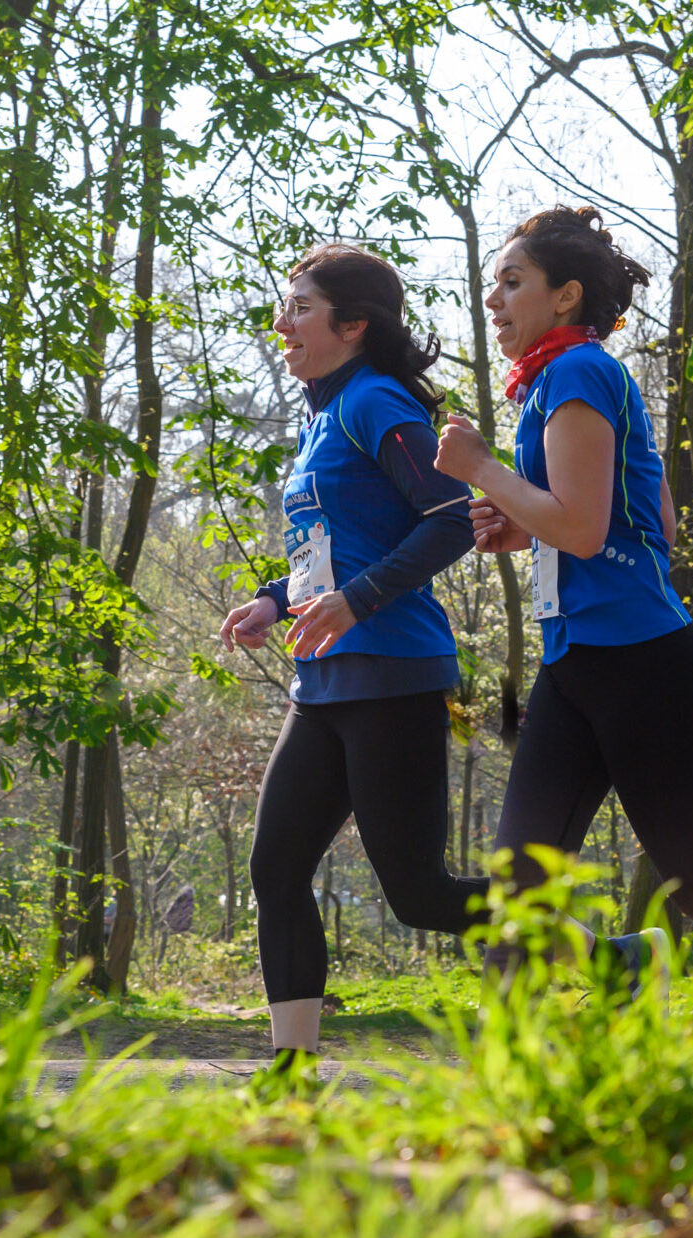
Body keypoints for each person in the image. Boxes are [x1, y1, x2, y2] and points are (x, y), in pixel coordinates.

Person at [434, 205, 693, 970]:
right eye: (492, 284)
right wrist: (526, 524)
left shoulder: (579, 370)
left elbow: (584, 530)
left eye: (510, 282)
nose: (492, 300)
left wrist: (483, 471)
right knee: (518, 881)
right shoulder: (563, 376)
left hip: (637, 658)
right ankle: (530, 1053)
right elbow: (650, 519)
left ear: (565, 295)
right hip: (581, 657)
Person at [218, 244, 488, 1074]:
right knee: (276, 866)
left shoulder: (376, 403)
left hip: (395, 674)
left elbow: (452, 517)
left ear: (353, 325)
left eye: (299, 307)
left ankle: (608, 951)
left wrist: (359, 600)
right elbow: (327, 551)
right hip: (324, 681)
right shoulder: (321, 415)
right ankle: (291, 1073)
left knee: (421, 896)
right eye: (285, 305)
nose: (281, 322)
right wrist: (274, 595)